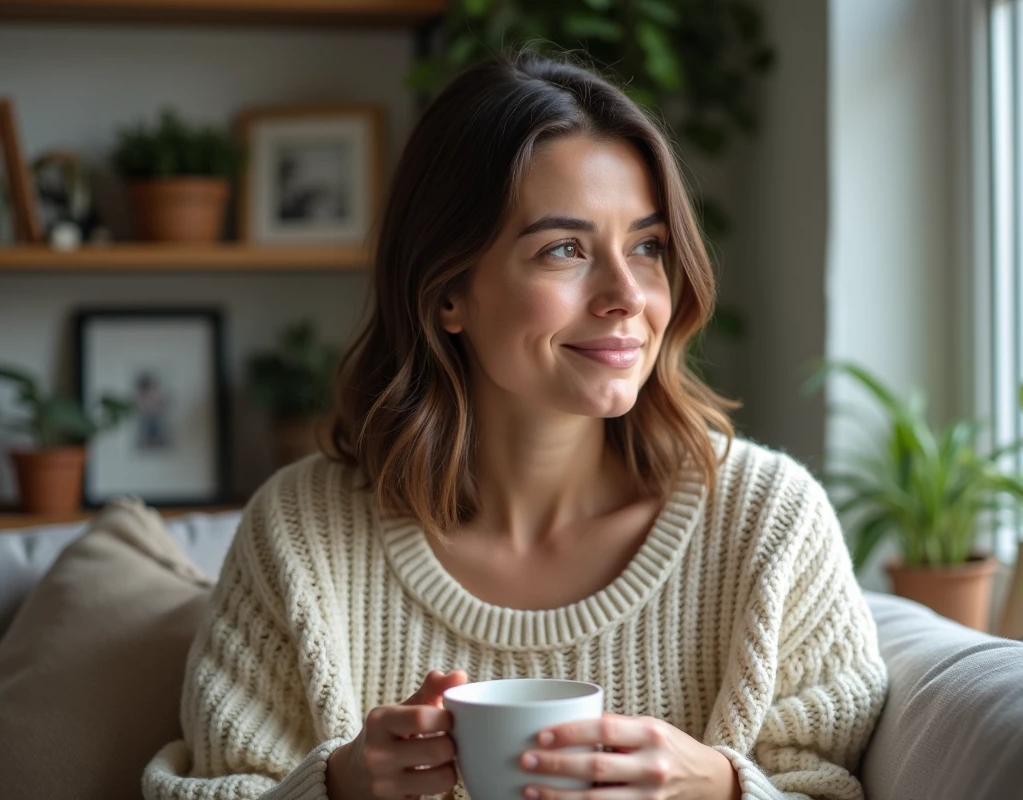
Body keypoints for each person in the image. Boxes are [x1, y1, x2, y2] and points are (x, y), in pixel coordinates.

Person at [143, 48, 888, 800]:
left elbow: (828, 787)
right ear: (446, 295)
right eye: (564, 249)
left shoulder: (770, 523)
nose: (627, 294)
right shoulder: (299, 532)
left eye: (648, 247)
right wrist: (336, 787)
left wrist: (724, 789)